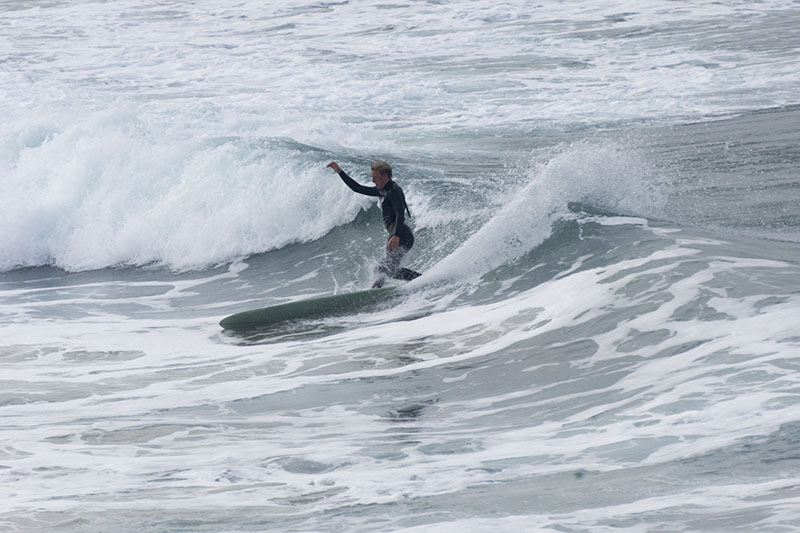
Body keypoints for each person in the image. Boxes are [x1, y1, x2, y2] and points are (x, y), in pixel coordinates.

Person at [327, 160, 421, 288]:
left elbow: (400, 214)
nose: (373, 181)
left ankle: (420, 279)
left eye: (375, 177)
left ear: (385, 176)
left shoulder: (394, 191)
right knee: (387, 269)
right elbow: (357, 188)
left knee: (385, 268)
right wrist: (339, 171)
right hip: (395, 235)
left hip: (402, 236)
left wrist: (396, 235)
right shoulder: (382, 190)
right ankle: (379, 287)